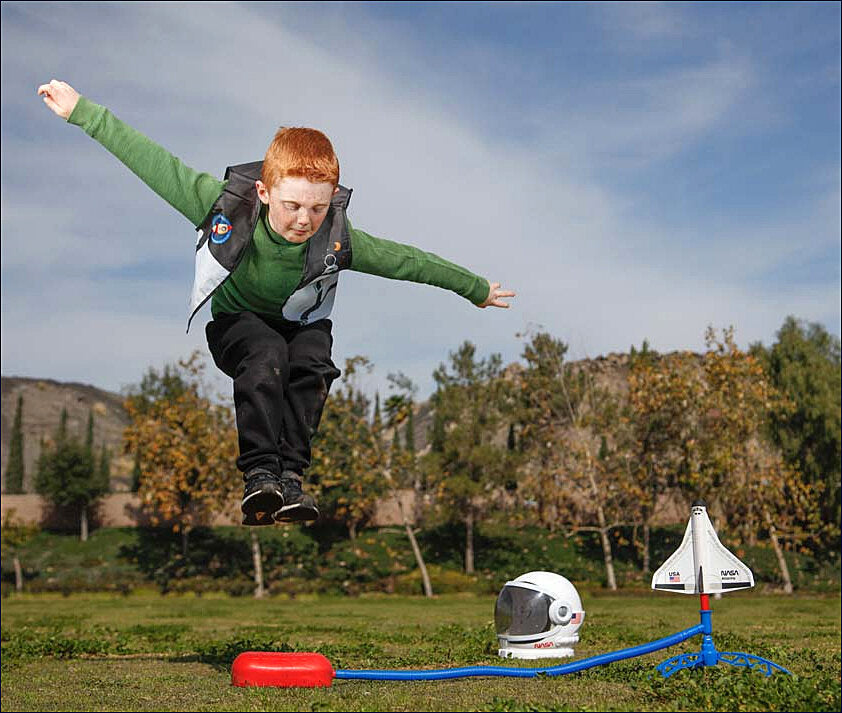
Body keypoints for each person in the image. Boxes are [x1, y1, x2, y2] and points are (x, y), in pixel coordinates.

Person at [37, 79, 516, 527]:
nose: (304, 219)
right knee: (267, 354)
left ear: (332, 200)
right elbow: (153, 162)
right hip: (236, 325)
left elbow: (408, 261)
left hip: (300, 323)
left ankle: (290, 478)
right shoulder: (221, 205)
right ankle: (260, 475)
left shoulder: (339, 238)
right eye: (292, 206)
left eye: (318, 207)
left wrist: (474, 288)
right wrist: (83, 112)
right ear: (265, 193)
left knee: (313, 362)